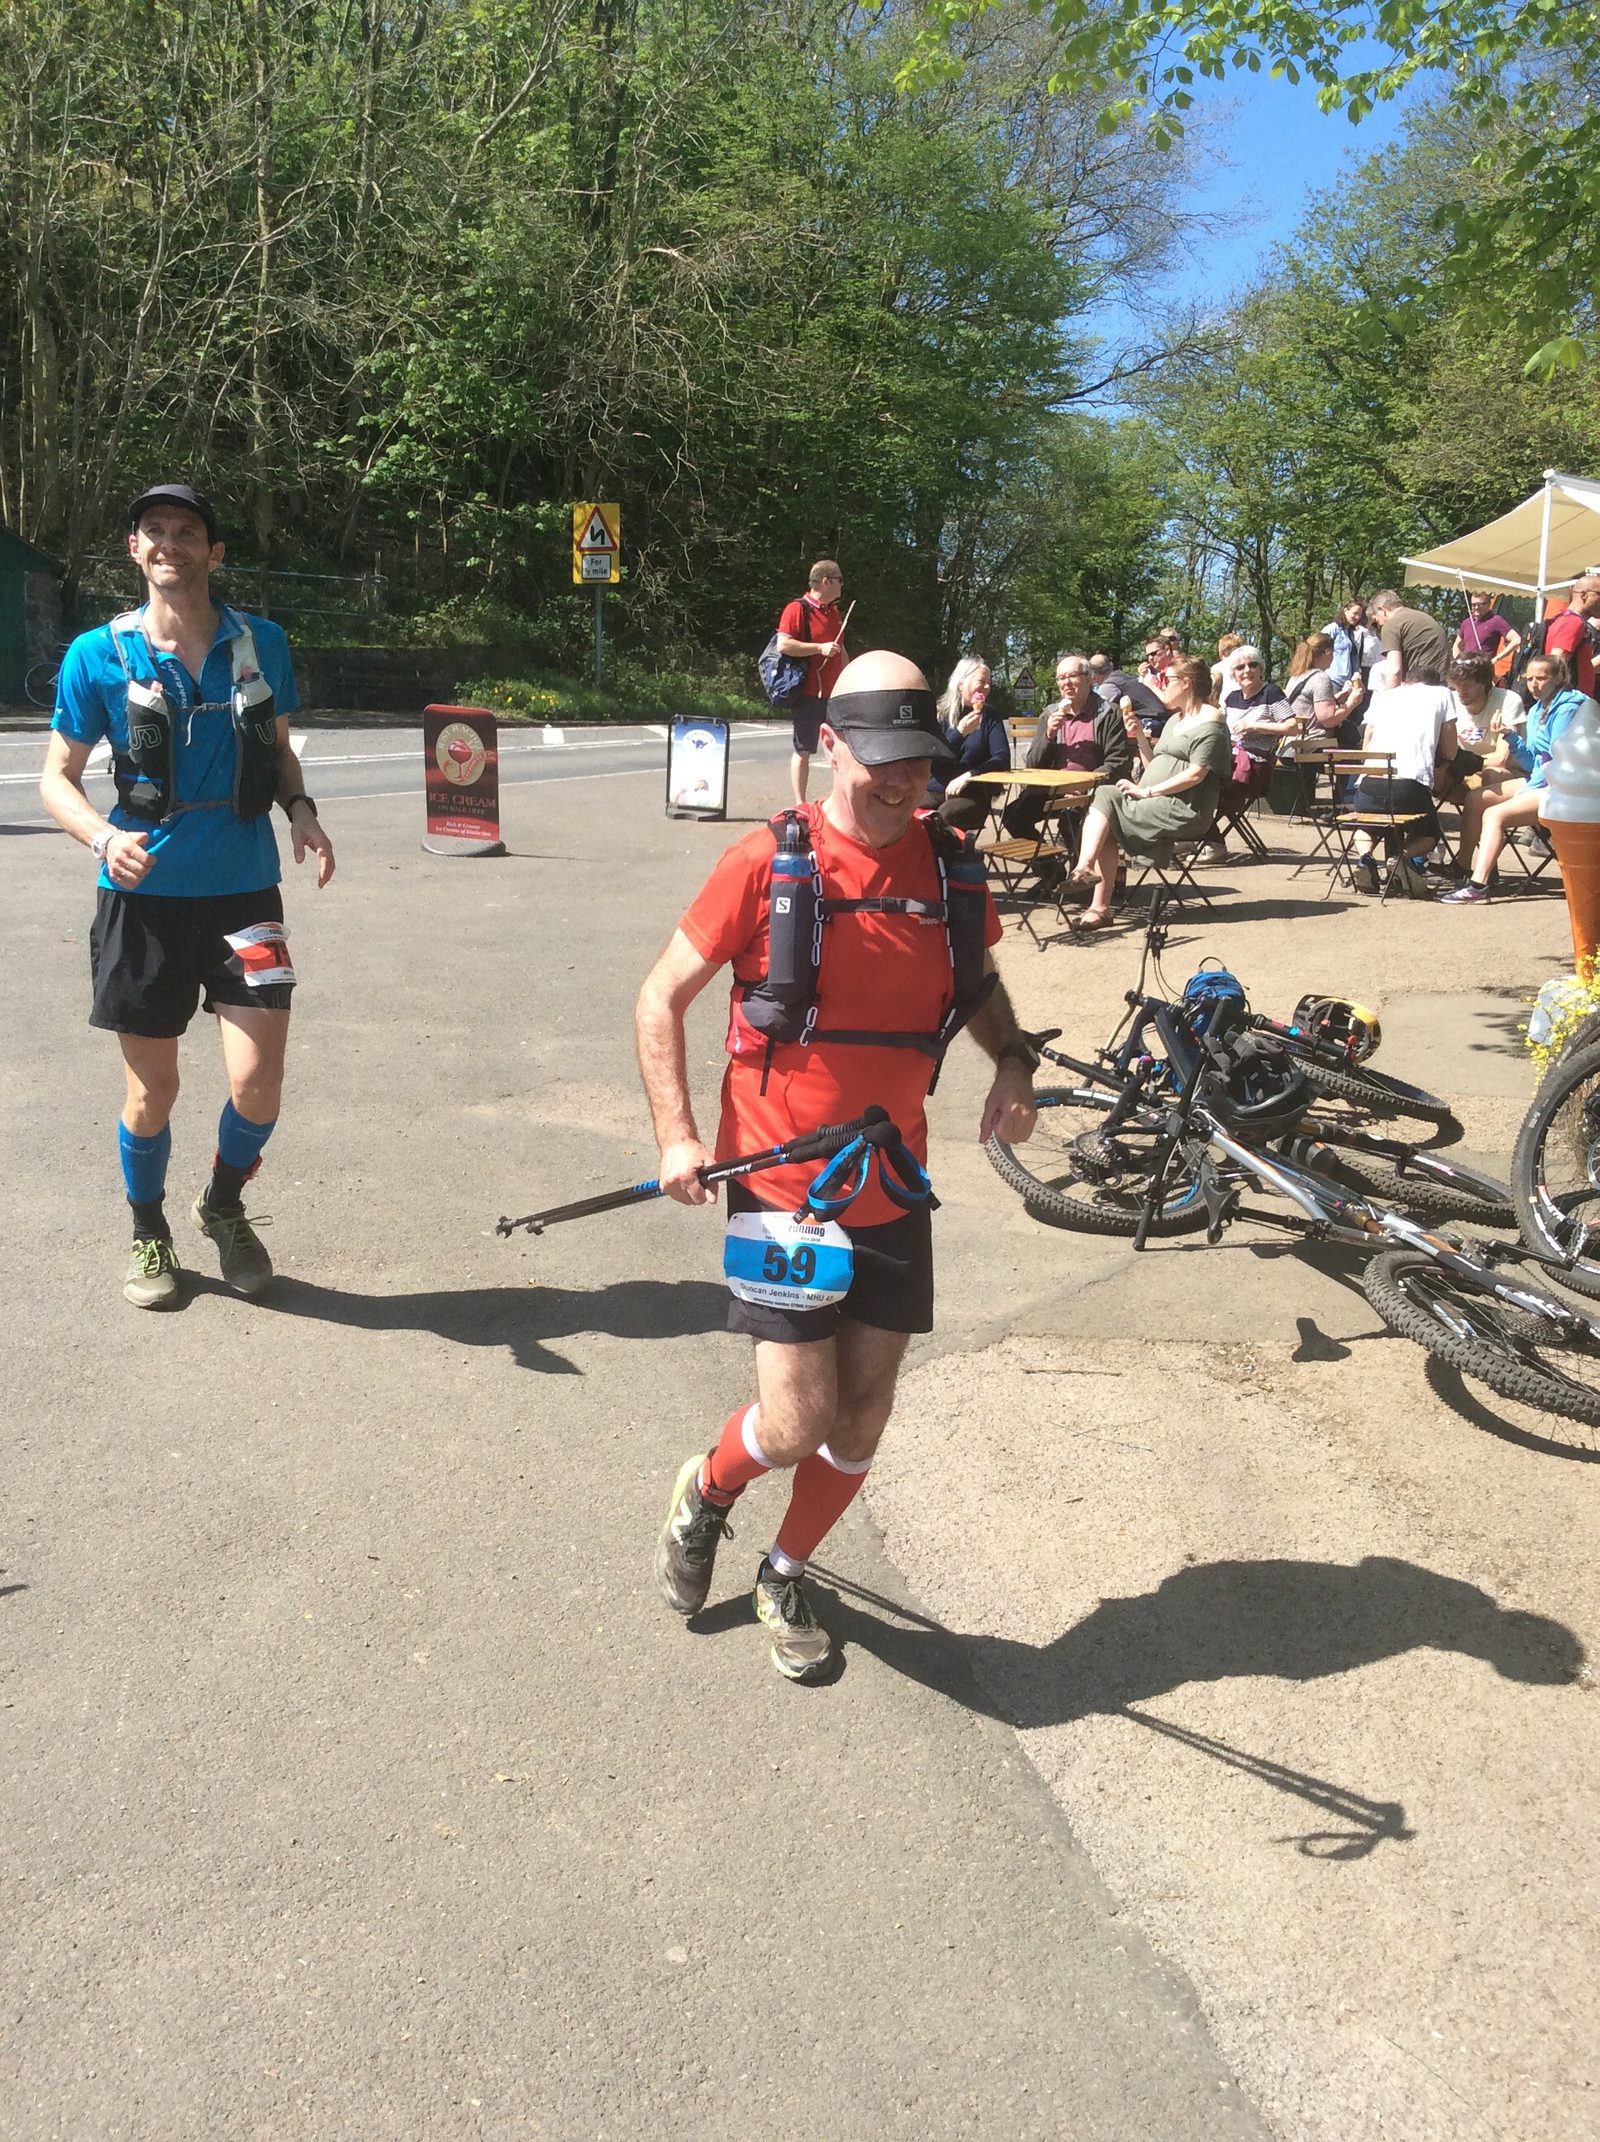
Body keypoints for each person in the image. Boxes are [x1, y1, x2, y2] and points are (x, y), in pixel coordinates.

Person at [637, 650, 1039, 1682]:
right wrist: (678, 1135)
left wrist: (1014, 1063)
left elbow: (977, 984)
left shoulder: (951, 868)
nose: (902, 783)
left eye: (920, 761)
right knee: (796, 1417)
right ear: (827, 746)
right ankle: (710, 1491)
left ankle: (785, 1565)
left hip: (892, 1184)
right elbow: (660, 997)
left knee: (862, 1412)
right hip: (780, 1185)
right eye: (879, 762)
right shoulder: (768, 864)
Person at [38, 481, 335, 1309]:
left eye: (187, 531)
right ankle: (148, 1229)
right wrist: (102, 836)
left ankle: (225, 1206)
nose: (170, 543)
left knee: (257, 1082)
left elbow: (277, 752)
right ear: (135, 550)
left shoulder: (261, 642)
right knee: (152, 1090)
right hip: (143, 899)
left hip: (244, 890)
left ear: (214, 552)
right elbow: (56, 781)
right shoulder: (96, 656)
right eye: (154, 531)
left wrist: (302, 811)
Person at [1065, 656, 1232, 932]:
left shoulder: (1211, 720)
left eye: (1167, 680)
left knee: (1106, 798)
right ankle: (1096, 901)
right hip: (1156, 800)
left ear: (1186, 683)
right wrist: (1140, 737)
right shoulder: (1175, 720)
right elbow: (1155, 766)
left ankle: (1087, 876)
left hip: (1186, 808)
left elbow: (1196, 774)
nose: (1160, 685)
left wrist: (1146, 792)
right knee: (1106, 805)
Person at [1441, 651, 1598, 904]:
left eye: (1541, 678)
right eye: (1529, 679)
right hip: (1540, 778)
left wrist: (1529, 788)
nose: (1534, 685)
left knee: (1495, 814)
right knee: (1476, 798)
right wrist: (1510, 736)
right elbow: (1531, 761)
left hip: (1564, 787)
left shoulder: (1570, 707)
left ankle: (1478, 885)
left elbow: (1559, 756)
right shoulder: (1537, 710)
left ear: (1559, 677)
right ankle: (1463, 865)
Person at [1000, 652, 1134, 847]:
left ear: (1089, 679)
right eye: (1061, 678)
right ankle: (1051, 870)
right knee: (1012, 815)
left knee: (1069, 821)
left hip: (1091, 791)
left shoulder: (1108, 712)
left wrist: (1082, 786)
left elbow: (1117, 763)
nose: (1067, 683)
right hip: (1053, 789)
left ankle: (1081, 874)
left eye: (1072, 676)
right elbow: (1033, 764)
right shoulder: (1050, 714)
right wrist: (1049, 735)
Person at [1343, 671, 1457, 888]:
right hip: (1408, 785)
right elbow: (1450, 751)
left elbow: (1367, 745)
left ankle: (1366, 858)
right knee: (1430, 832)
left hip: (1370, 783)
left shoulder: (1385, 696)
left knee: (1368, 824)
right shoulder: (1442, 694)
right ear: (1434, 683)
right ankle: (1400, 858)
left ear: (1406, 682)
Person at [772, 560, 847, 806]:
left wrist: (851, 677)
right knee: (804, 749)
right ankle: (800, 803)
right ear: (825, 581)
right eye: (839, 580)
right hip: (808, 692)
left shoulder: (833, 613)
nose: (842, 585)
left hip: (835, 694)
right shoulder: (797, 609)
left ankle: (837, 802)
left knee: (840, 748)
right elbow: (783, 644)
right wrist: (819, 648)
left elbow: (841, 649)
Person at [927, 655, 1009, 832]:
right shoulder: (939, 715)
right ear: (961, 683)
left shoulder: (990, 717)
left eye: (989, 682)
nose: (986, 687)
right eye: (981, 681)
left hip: (973, 794)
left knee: (942, 817)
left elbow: (1002, 759)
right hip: (935, 789)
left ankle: (947, 857)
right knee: (904, 809)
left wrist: (969, 775)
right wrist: (959, 733)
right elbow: (931, 758)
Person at [1222, 647, 1296, 771]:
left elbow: (1293, 728)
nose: (1247, 671)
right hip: (1230, 760)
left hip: (1257, 765)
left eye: (1252, 665)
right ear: (1233, 674)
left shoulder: (1271, 693)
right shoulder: (1231, 698)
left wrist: (1253, 726)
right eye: (1240, 667)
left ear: (1260, 669)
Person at [1366, 589, 1450, 695]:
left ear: (1382, 610)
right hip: (1442, 688)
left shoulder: (1392, 625)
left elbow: (1394, 670)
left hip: (1420, 690)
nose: (1379, 625)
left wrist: (1387, 702)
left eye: (1376, 621)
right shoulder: (1423, 616)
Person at [1542, 575, 1600, 699]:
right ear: (1584, 595)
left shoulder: (1566, 619)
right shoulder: (1573, 622)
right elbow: (1556, 662)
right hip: (1570, 704)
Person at [1321, 597, 1380, 692]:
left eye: (1359, 615)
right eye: (1355, 613)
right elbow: (1317, 649)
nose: (1357, 617)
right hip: (1331, 680)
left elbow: (1354, 657)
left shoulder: (1350, 634)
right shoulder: (1332, 629)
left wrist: (1357, 674)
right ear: (1345, 610)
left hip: (1346, 684)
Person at [1454, 590, 1521, 674]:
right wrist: (1459, 661)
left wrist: (1496, 659)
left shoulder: (1496, 620)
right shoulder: (1466, 622)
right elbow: (1456, 645)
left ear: (1488, 604)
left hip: (1482, 671)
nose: (1476, 607)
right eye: (1473, 605)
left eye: (1480, 604)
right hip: (1466, 671)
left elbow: (1516, 639)